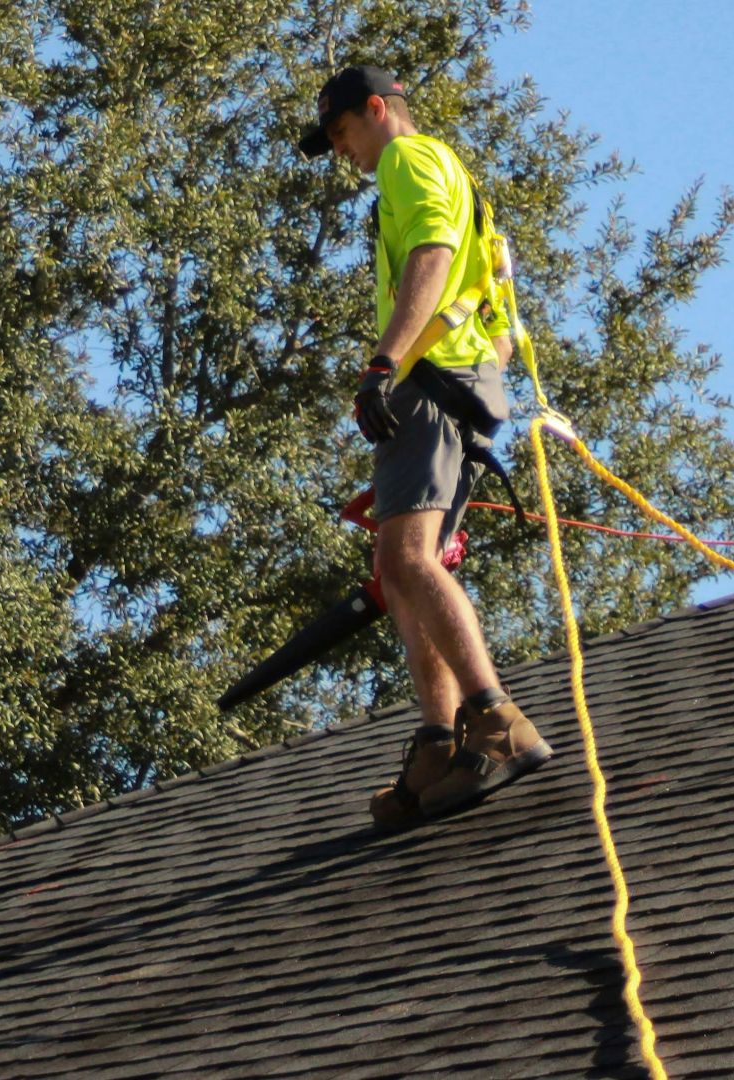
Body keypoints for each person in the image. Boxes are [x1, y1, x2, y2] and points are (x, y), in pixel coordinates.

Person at [297, 64, 552, 827]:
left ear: (377, 110)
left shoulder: (408, 159)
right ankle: (441, 742)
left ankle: (496, 719)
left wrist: (386, 365)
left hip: (430, 381)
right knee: (401, 562)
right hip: (461, 380)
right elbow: (500, 320)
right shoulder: (454, 174)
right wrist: (476, 385)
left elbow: (432, 257)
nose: (343, 152)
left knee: (406, 559)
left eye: (342, 133)